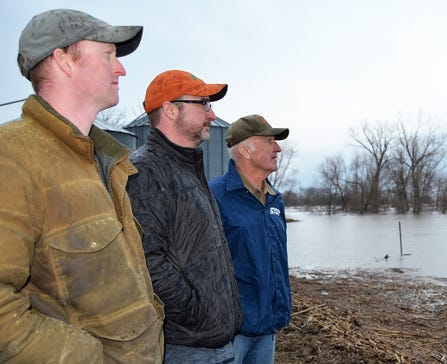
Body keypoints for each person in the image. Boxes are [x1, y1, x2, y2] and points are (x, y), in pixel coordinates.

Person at [0, 9, 164, 363]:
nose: (120, 69)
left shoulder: (106, 159)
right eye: (108, 55)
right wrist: (91, 358)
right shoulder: (11, 157)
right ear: (64, 61)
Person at [126, 69, 243, 363]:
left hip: (217, 343)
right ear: (169, 109)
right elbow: (147, 261)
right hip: (186, 347)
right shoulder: (145, 171)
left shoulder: (189, 166)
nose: (211, 115)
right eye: (203, 104)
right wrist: (197, 311)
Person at [209, 114, 292, 364]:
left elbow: (277, 261)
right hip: (232, 332)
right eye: (269, 141)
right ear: (245, 150)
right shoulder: (214, 196)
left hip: (268, 326)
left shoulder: (275, 200)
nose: (277, 147)